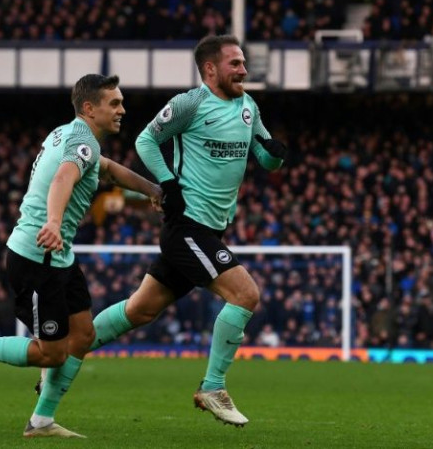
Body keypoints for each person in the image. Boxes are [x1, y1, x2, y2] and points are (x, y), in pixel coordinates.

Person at [33, 34, 288, 429]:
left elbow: (264, 158)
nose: (243, 69)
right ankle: (213, 386)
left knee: (140, 309)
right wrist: (167, 183)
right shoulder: (190, 104)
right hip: (187, 226)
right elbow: (146, 139)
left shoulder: (248, 106)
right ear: (210, 69)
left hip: (211, 230)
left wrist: (274, 153)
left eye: (242, 63)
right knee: (245, 294)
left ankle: (63, 357)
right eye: (234, 63)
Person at [0, 74, 162, 438]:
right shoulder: (82, 142)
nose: (122, 109)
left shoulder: (70, 135)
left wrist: (150, 190)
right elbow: (62, 180)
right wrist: (53, 221)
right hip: (38, 258)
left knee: (81, 336)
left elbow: (108, 170)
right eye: (113, 103)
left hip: (59, 257)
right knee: (51, 354)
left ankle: (41, 422)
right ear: (89, 108)